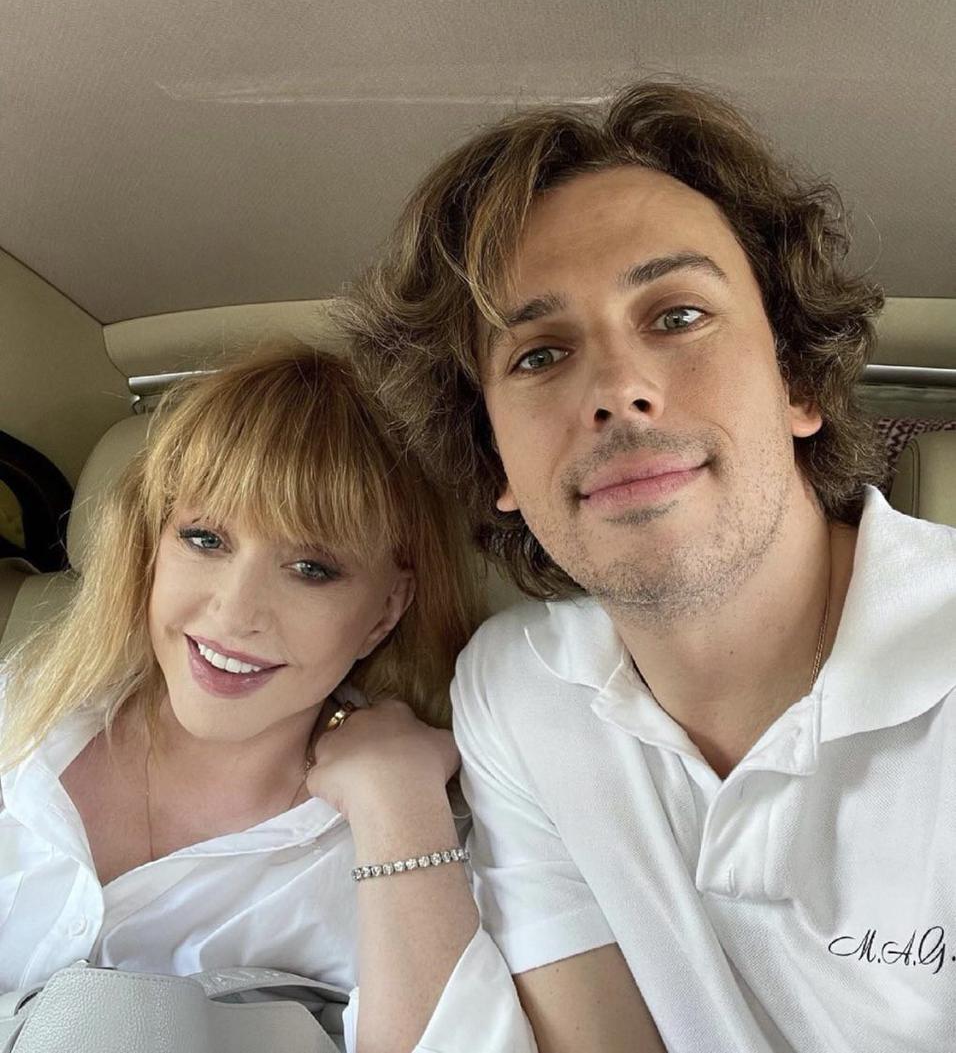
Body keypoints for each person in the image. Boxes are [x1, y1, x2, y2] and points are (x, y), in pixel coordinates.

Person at [343, 81, 956, 1053]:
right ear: (496, 461)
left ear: (796, 381)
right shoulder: (515, 691)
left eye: (677, 316)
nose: (618, 389)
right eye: (538, 355)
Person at [0, 343, 536, 1053]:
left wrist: (397, 805)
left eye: (311, 568)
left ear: (385, 610)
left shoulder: (416, 841)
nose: (235, 611)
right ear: (151, 547)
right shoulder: (22, 711)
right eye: (204, 539)